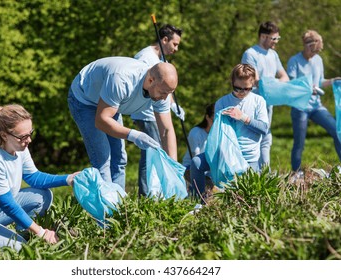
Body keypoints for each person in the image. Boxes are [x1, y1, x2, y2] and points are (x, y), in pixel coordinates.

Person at [0, 104, 80, 252]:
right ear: (4, 135)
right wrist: (41, 232)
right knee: (23, 250)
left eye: (30, 133)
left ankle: (24, 232)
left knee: (42, 195)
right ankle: (22, 236)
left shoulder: (19, 148)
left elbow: (34, 177)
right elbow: (7, 205)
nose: (29, 140)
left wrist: (68, 179)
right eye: (23, 136)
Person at [68, 57, 178, 191]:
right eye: (163, 93)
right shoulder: (122, 79)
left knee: (119, 159)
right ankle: (107, 207)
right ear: (150, 80)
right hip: (84, 99)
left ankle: (119, 204)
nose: (165, 98)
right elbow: (101, 120)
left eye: (169, 93)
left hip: (110, 103)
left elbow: (166, 130)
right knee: (103, 159)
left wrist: (173, 167)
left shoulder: (162, 88)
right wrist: (134, 135)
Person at [190, 64, 269, 196]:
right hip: (225, 155)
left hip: (248, 157)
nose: (242, 92)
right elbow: (217, 133)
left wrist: (243, 118)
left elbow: (264, 129)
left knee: (250, 196)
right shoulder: (222, 102)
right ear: (232, 82)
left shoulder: (258, 101)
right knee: (196, 163)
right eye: (237, 88)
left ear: (253, 85)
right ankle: (199, 201)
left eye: (247, 89)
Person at [131, 24, 184, 196]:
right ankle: (146, 195)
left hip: (155, 111)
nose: (176, 49)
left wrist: (174, 106)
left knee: (155, 150)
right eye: (174, 44)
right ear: (164, 40)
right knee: (151, 151)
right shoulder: (146, 57)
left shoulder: (161, 60)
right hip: (145, 113)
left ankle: (158, 191)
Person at [287, 30, 341, 177]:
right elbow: (290, 84)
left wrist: (333, 81)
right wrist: (307, 88)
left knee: (337, 131)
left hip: (316, 106)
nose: (315, 54)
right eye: (314, 50)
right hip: (300, 107)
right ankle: (296, 173)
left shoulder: (318, 60)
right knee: (299, 143)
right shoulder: (294, 61)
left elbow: (320, 82)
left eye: (318, 51)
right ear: (307, 46)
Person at [241, 21, 289, 169]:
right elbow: (253, 81)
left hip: (269, 103)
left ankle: (264, 174)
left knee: (267, 138)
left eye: (277, 39)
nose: (276, 42)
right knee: (254, 137)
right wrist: (273, 83)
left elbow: (284, 77)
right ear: (263, 36)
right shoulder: (251, 54)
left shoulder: (273, 55)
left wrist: (272, 84)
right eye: (274, 38)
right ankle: (251, 174)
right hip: (254, 103)